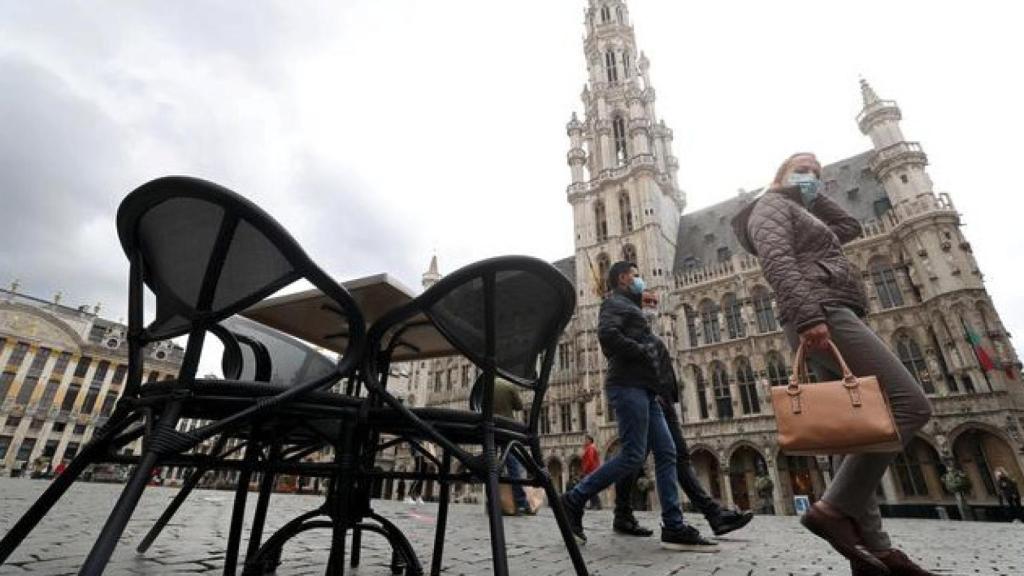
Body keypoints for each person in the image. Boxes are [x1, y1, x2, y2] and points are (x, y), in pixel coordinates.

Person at [733, 152, 936, 576]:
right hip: (821, 312)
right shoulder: (770, 206)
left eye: (817, 174)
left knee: (853, 436)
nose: (811, 177)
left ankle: (874, 554)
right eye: (802, 169)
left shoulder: (797, 209)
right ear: (780, 174)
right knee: (910, 405)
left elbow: (850, 227)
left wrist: (812, 198)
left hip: (830, 309)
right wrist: (810, 317)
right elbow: (778, 263)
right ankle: (830, 510)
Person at [560, 261, 718, 552]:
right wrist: (641, 350)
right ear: (623, 278)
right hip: (627, 385)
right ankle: (574, 498)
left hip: (646, 390)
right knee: (633, 456)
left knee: (668, 452)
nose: (640, 280)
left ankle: (673, 525)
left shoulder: (629, 305)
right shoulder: (613, 303)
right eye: (635, 276)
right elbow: (607, 336)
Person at [613, 291, 755, 538]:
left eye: (654, 301)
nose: (652, 305)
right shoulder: (633, 330)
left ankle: (712, 516)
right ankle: (606, 508)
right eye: (647, 301)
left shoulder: (657, 328)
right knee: (640, 458)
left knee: (674, 457)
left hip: (664, 401)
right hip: (651, 399)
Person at [494, 377, 533, 515]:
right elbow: (519, 406)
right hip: (505, 428)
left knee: (490, 463)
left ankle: (492, 500)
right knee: (512, 464)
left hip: (488, 429)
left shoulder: (484, 383)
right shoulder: (508, 385)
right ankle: (521, 502)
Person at [580, 435, 602, 510]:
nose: (585, 441)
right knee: (590, 487)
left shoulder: (591, 448)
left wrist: (585, 470)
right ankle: (594, 504)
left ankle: (596, 504)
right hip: (592, 470)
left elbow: (590, 460)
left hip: (591, 470)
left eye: (586, 440)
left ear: (589, 440)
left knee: (590, 487)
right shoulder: (590, 448)